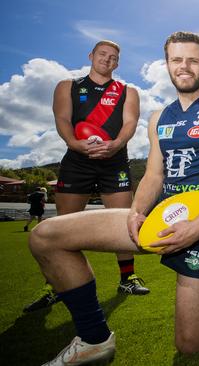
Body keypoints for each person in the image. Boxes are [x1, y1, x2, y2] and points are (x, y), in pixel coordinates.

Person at [29, 31, 199, 365]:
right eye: (176, 59)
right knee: (46, 236)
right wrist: (136, 211)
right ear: (167, 64)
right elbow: (154, 174)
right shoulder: (158, 118)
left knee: (193, 343)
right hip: (157, 218)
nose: (184, 66)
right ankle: (94, 339)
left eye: (193, 60)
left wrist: (198, 226)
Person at [24, 40, 149, 313]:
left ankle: (127, 278)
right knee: (63, 225)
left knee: (123, 220)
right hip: (77, 161)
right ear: (91, 55)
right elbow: (62, 119)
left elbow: (130, 124)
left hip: (114, 160)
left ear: (118, 63)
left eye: (114, 57)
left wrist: (116, 144)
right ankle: (53, 285)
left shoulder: (128, 91)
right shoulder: (67, 86)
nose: (108, 60)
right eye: (103, 54)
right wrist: (74, 143)